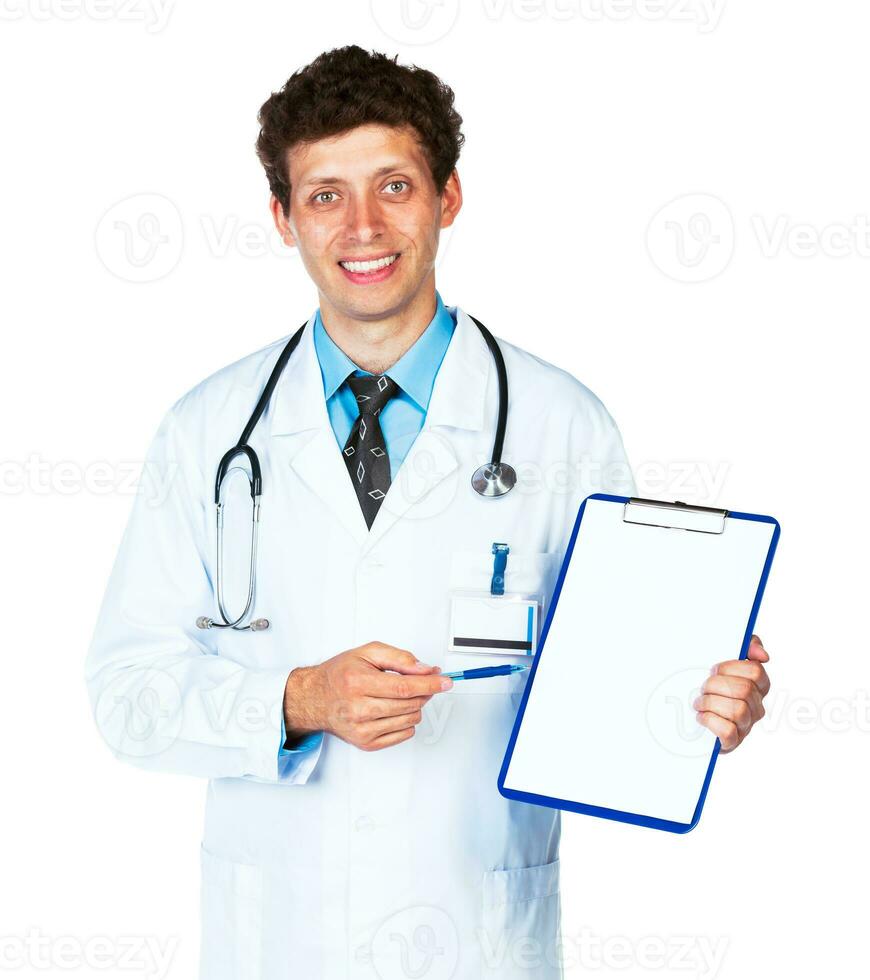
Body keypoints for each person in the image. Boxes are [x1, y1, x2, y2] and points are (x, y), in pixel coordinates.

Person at [85, 44, 772, 980]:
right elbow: (126, 696)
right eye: (325, 195)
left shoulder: (560, 422)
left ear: (448, 198)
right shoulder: (206, 431)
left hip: (479, 937)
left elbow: (619, 694)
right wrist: (295, 701)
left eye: (394, 185)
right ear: (283, 220)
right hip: (281, 938)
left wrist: (700, 701)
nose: (362, 226)